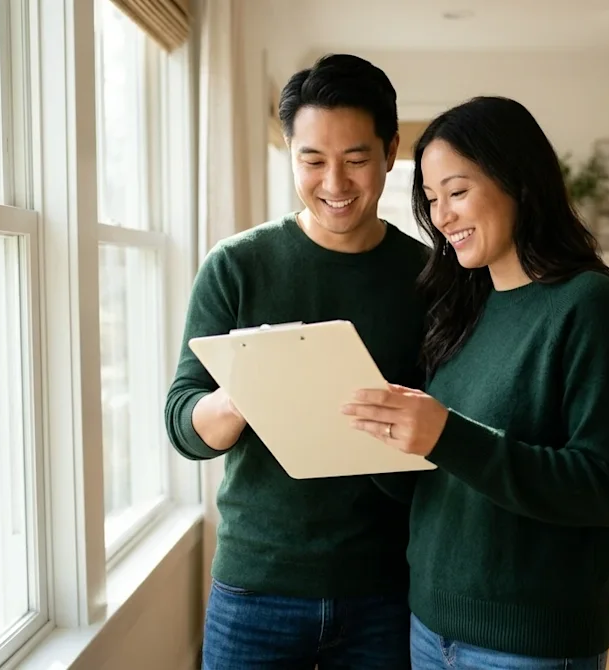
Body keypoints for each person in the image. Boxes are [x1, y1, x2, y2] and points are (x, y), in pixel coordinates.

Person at [341, 96, 609, 669]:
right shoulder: (460, 308)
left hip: (528, 644)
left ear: (520, 182)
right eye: (431, 200)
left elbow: (605, 488)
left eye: (457, 193)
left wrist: (446, 435)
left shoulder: (588, 306)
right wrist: (380, 440)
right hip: (430, 626)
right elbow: (443, 481)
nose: (442, 217)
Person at [165, 53, 428, 670]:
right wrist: (245, 391)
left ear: (391, 151)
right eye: (311, 160)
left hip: (385, 587)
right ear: (290, 153)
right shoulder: (236, 265)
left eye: (356, 160)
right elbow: (183, 424)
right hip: (257, 586)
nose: (334, 183)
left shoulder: (429, 278)